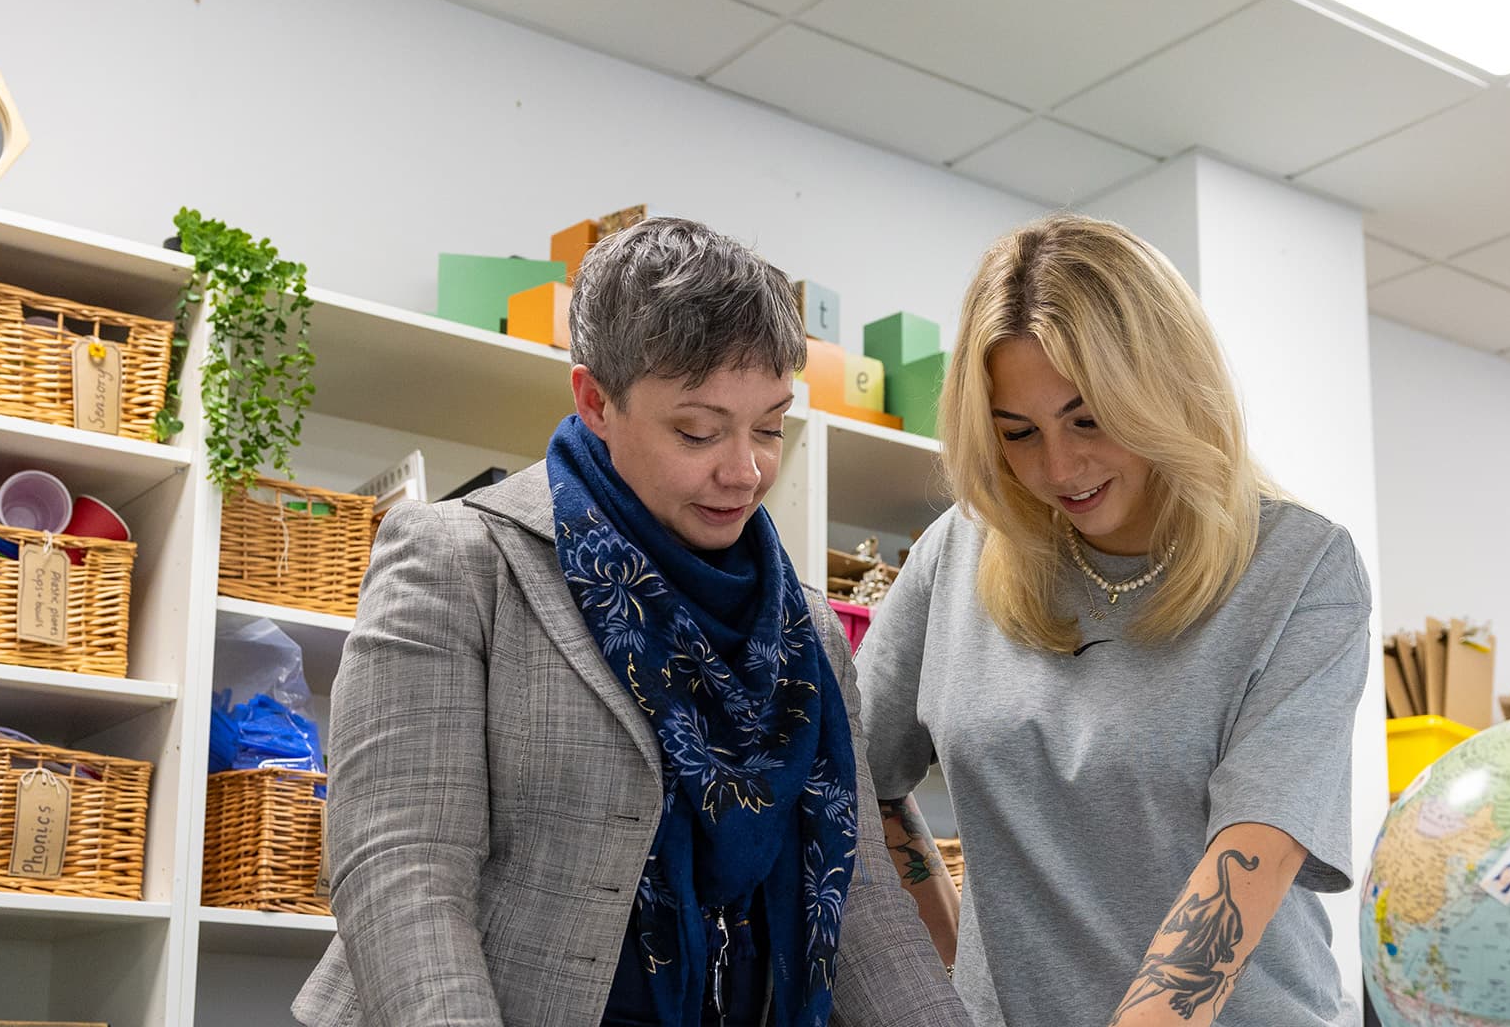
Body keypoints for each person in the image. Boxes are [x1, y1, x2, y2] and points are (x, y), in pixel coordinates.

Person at [294, 218, 969, 1027]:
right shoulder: (461, 562)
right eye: (698, 430)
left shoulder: (806, 633)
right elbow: (400, 867)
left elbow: (864, 909)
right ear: (596, 401)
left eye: (769, 426)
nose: (745, 470)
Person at [858, 214, 1370, 1026]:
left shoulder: (1301, 569)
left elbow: (1254, 850)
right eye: (1018, 434)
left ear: (1165, 388)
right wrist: (949, 988)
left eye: (1089, 417)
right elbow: (850, 782)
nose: (1059, 468)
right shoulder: (956, 555)